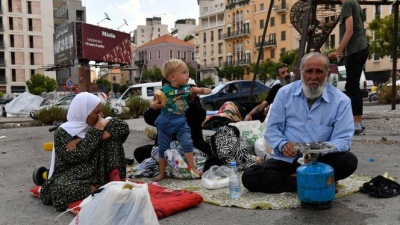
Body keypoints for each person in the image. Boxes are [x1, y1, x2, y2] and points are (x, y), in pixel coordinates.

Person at [241, 52, 358, 193]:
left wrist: (318, 153)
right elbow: (272, 129)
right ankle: (309, 181)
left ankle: (301, 178)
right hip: (287, 159)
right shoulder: (284, 94)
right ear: (301, 72)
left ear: (327, 73)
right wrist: (283, 145)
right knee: (250, 176)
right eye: (309, 71)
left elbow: (343, 139)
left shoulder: (341, 101)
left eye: (319, 71)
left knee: (349, 161)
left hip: (320, 161)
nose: (313, 77)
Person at [40, 92, 130, 211]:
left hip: (98, 172)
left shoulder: (100, 123)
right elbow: (76, 156)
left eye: (101, 111)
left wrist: (98, 136)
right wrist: (96, 132)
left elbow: (123, 128)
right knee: (58, 190)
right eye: (96, 113)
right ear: (84, 113)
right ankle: (94, 189)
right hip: (74, 174)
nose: (101, 116)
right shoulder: (63, 132)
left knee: (113, 138)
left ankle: (115, 180)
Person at [153, 58, 211, 181]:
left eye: (187, 72)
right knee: (162, 147)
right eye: (184, 72)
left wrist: (201, 91)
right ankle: (161, 173)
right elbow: (153, 100)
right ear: (173, 77)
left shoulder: (187, 88)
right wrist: (153, 105)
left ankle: (193, 168)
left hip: (180, 122)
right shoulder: (164, 91)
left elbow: (202, 91)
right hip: (165, 122)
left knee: (187, 143)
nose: (187, 75)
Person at [134, 77, 212, 164]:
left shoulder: (190, 98)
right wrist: (157, 106)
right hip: (166, 148)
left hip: (191, 145)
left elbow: (200, 116)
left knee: (209, 149)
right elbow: (148, 117)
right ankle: (172, 161)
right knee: (139, 152)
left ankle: (178, 161)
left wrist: (189, 101)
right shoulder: (161, 103)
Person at [328, 0, 369, 134]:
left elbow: (349, 29)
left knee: (351, 86)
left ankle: (355, 122)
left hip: (355, 49)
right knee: (354, 85)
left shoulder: (347, 4)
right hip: (361, 47)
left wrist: (339, 50)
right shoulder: (355, 3)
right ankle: (358, 121)